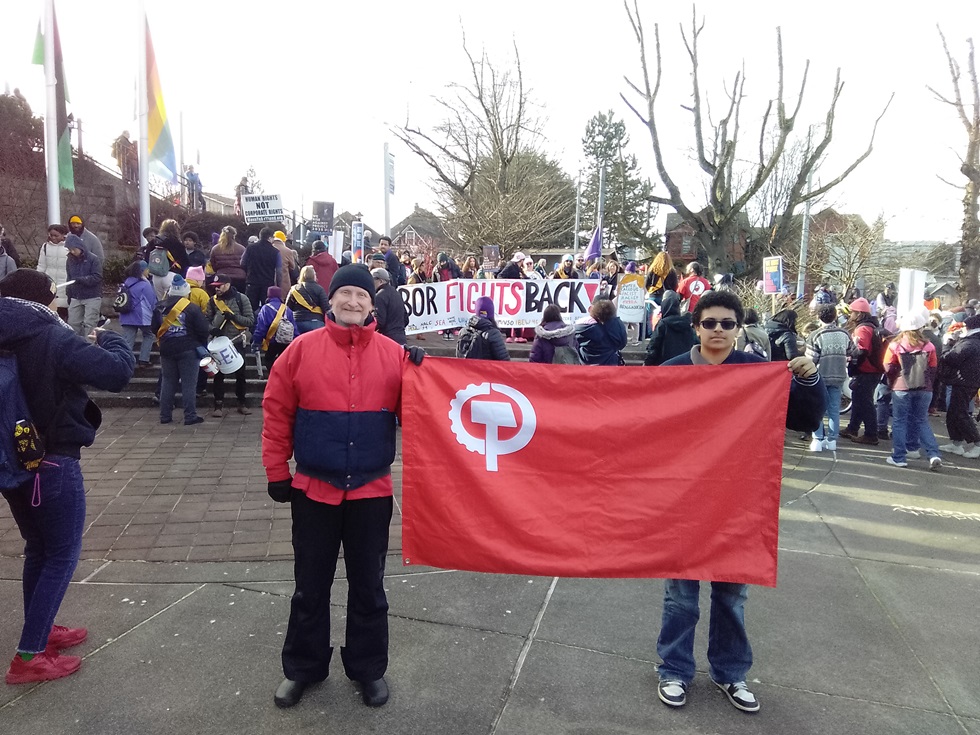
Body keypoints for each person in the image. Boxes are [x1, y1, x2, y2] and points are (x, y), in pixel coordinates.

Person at [261, 264, 424, 710]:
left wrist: (422, 380)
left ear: (374, 303)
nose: (353, 302)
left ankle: (368, 668)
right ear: (329, 299)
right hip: (314, 490)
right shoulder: (299, 351)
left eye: (362, 295)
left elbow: (416, 420)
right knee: (309, 587)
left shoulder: (394, 355)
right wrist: (277, 470)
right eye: (345, 293)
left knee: (368, 586)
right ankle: (303, 668)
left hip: (371, 492)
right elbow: (277, 415)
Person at [656, 289, 824, 714]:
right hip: (683, 502)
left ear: (738, 329)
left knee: (732, 597)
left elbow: (804, 419)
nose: (718, 330)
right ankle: (674, 670)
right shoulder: (671, 372)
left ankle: (730, 673)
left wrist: (807, 379)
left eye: (726, 324)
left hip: (738, 503)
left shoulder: (757, 372)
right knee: (681, 597)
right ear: (696, 326)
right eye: (709, 322)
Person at [0, 269, 134, 684]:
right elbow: (116, 373)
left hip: (11, 459)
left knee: (38, 549)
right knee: (60, 555)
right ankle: (29, 656)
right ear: (44, 299)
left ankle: (41, 630)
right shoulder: (50, 335)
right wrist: (109, 337)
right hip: (53, 460)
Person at [883, 310, 943, 470]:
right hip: (925, 389)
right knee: (922, 420)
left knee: (899, 421)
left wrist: (894, 380)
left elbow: (888, 367)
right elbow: (933, 368)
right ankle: (933, 454)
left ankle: (899, 457)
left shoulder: (895, 345)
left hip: (901, 388)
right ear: (921, 327)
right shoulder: (929, 346)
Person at [152, 275, 209, 426]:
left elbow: (154, 329)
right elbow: (203, 330)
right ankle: (190, 416)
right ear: (186, 292)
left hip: (166, 349)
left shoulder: (160, 307)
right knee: (189, 384)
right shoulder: (192, 308)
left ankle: (165, 416)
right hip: (188, 349)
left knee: (168, 382)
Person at [805, 304, 855, 451]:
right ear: (835, 316)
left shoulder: (815, 335)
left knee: (817, 409)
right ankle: (832, 440)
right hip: (839, 375)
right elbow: (853, 351)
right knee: (834, 409)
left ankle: (817, 440)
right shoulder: (844, 334)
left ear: (818, 317)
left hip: (819, 377)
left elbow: (810, 361)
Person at [206, 273, 255, 417]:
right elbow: (206, 321)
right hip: (219, 343)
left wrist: (234, 317)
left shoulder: (242, 299)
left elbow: (250, 321)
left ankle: (242, 403)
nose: (217, 289)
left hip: (237, 341)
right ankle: (218, 405)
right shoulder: (212, 301)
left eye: (219, 286)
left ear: (227, 285)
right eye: (215, 287)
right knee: (218, 375)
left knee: (241, 375)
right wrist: (212, 329)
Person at [840, 298, 885, 445]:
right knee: (859, 400)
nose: (850, 315)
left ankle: (871, 434)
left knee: (865, 402)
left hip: (867, 370)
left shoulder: (862, 329)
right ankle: (852, 428)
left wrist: (852, 362)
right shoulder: (871, 326)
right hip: (873, 370)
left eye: (852, 312)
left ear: (859, 314)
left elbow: (862, 351)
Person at [937, 314, 980, 458]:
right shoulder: (973, 342)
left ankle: (977, 443)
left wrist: (946, 345)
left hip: (963, 381)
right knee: (955, 412)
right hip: (968, 381)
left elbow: (950, 358)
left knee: (960, 413)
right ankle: (956, 442)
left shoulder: (970, 343)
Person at [118, 261, 157, 368]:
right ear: (142, 271)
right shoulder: (145, 285)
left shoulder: (125, 283)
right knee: (148, 335)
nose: (149, 271)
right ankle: (144, 360)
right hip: (143, 317)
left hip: (126, 316)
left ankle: (125, 362)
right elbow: (152, 302)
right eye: (147, 269)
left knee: (128, 340)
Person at [643, 290, 698, 366]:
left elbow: (654, 347)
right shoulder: (687, 324)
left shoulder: (663, 324)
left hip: (664, 365)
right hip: (685, 365)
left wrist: (647, 363)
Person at [63, 233, 103, 339]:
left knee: (89, 324)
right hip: (76, 296)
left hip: (92, 295)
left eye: (74, 249)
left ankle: (90, 347)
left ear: (80, 247)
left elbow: (97, 277)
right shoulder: (70, 260)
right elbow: (69, 277)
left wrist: (82, 280)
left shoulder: (93, 259)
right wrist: (69, 294)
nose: (72, 252)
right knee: (72, 323)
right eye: (70, 249)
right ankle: (75, 346)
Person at [253, 286, 296, 373]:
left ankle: (275, 376)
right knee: (284, 361)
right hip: (287, 341)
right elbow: (294, 327)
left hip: (272, 341)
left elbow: (261, 327)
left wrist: (256, 342)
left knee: (268, 359)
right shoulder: (287, 309)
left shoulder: (265, 308)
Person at [575, 296, 628, 366]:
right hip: (610, 366)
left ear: (591, 309)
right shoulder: (617, 325)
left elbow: (574, 344)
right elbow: (622, 344)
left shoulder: (581, 325)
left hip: (586, 366)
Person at [456, 296, 510, 360]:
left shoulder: (463, 331)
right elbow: (504, 360)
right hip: (486, 369)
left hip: (466, 369)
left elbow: (458, 357)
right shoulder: (494, 334)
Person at [241, 227, 282, 311]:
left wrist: (248, 272)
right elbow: (279, 271)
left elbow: (242, 263)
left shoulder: (250, 248)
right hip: (267, 283)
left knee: (250, 309)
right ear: (270, 238)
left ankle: (251, 324)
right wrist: (278, 285)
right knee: (267, 309)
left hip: (252, 282)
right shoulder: (275, 252)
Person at [35, 224, 69, 317]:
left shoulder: (69, 246)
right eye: (51, 235)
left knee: (63, 313)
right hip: (49, 282)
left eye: (56, 235)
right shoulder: (45, 246)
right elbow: (41, 265)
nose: (53, 238)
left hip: (65, 283)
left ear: (63, 235)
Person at [287, 266, 330, 335]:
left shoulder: (294, 289)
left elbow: (288, 307)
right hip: (315, 321)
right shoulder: (319, 289)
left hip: (297, 321)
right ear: (314, 276)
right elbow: (326, 307)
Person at [371, 268, 409, 345]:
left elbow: (379, 322)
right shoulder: (396, 293)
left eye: (372, 280)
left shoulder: (380, 296)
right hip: (401, 339)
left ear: (380, 281)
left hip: (387, 340)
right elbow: (406, 319)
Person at [209, 226, 247, 294]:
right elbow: (245, 264)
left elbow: (213, 264)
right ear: (234, 235)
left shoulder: (215, 249)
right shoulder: (242, 248)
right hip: (240, 278)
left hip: (221, 278)